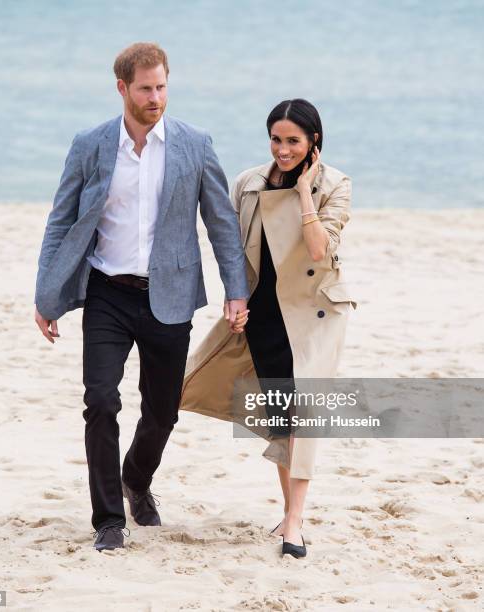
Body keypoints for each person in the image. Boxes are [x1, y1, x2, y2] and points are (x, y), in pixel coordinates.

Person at [34, 42, 249, 552]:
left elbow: (220, 222)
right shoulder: (90, 145)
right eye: (145, 88)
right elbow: (60, 221)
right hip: (107, 290)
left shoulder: (194, 145)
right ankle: (108, 519)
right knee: (101, 402)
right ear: (122, 89)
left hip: (169, 293)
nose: (156, 97)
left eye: (162, 86)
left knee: (163, 411)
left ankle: (137, 478)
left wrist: (235, 290)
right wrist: (46, 295)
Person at [180, 98, 357, 558]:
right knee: (281, 419)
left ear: (313, 141)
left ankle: (295, 520)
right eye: (276, 140)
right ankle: (288, 510)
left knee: (305, 416)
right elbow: (234, 250)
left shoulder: (335, 185)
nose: (282, 149)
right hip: (264, 312)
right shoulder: (248, 183)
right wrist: (233, 297)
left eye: (293, 141)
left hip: (314, 315)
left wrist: (303, 194)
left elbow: (320, 250)